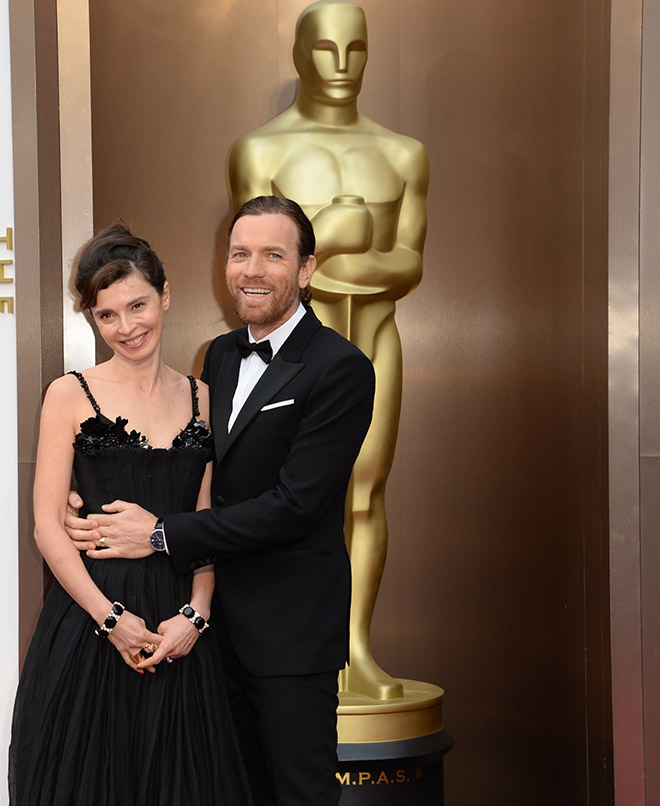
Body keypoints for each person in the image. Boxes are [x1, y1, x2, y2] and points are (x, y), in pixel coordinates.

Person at [65, 196, 375, 806]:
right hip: (205, 628)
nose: (251, 270)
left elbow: (294, 506)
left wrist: (159, 534)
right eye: (239, 254)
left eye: (272, 255)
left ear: (306, 269)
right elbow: (197, 473)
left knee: (300, 794)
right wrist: (93, 500)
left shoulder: (341, 367)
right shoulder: (222, 355)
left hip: (289, 632)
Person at [8, 223, 251, 805]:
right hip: (90, 622)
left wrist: (198, 612)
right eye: (107, 315)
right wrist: (109, 618)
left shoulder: (204, 397)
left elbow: (205, 517)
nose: (126, 326)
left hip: (177, 627)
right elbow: (48, 525)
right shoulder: (68, 394)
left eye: (137, 305)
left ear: (164, 296)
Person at [228, 0, 430, 702]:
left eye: (355, 49)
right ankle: (285, 645)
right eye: (325, 49)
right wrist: (346, 237)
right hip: (285, 354)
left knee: (365, 494)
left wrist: (329, 249)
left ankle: (356, 651)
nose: (342, 65)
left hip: (373, 340)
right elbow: (256, 268)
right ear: (299, 54)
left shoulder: (403, 154)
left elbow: (409, 263)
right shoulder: (260, 151)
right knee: (282, 498)